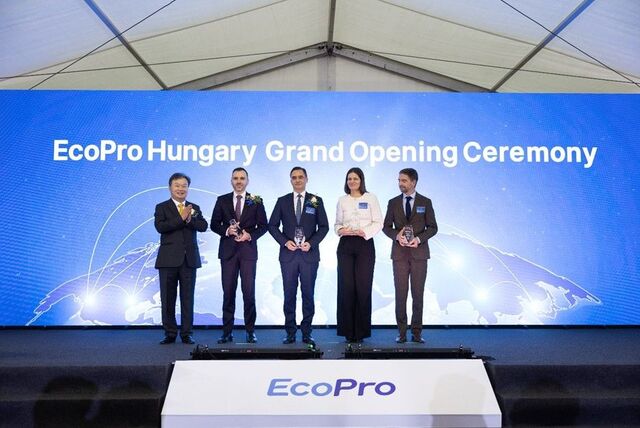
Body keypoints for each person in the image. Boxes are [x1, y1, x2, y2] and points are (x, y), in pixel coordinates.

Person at [268, 167, 329, 346]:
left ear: (306, 179)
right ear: (290, 180)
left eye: (300, 177)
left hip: (309, 255)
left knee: (308, 295)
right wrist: (284, 242)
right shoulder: (282, 201)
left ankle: (307, 332)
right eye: (294, 177)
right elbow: (272, 225)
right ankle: (290, 332)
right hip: (288, 256)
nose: (297, 180)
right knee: (289, 295)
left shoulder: (315, 201)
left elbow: (324, 227)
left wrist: (311, 243)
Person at [211, 167, 268, 344]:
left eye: (242, 178)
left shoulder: (256, 200)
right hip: (227, 253)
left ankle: (250, 331)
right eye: (235, 178)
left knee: (249, 293)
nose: (239, 181)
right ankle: (227, 332)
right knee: (228, 293)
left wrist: (249, 235)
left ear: (247, 181)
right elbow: (214, 224)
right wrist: (226, 230)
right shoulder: (222, 200)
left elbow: (264, 226)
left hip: (248, 252)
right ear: (231, 181)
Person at [382, 168, 438, 344]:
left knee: (417, 294)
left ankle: (416, 333)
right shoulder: (393, 202)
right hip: (399, 255)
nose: (400, 183)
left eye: (404, 180)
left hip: (419, 255)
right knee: (401, 294)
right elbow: (386, 227)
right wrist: (396, 236)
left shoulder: (425, 202)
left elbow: (433, 227)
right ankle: (401, 333)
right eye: (399, 180)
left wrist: (419, 239)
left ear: (413, 182)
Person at [154, 172, 209, 345]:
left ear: (188, 188)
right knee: (167, 299)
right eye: (177, 185)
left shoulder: (194, 207)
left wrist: (189, 219)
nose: (181, 189)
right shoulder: (161, 207)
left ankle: (187, 333)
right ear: (170, 187)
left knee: (187, 298)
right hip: (168, 260)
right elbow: (161, 227)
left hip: (189, 260)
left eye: (184, 186)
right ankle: (170, 333)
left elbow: (203, 226)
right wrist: (181, 218)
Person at [334, 167, 383, 343]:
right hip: (346, 245)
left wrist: (365, 232)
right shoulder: (342, 200)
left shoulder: (371, 198)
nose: (352, 181)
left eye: (355, 178)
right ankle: (348, 332)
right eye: (349, 179)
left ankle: (361, 332)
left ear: (361, 180)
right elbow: (337, 224)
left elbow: (378, 222)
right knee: (346, 287)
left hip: (365, 244)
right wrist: (341, 230)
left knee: (363, 287)